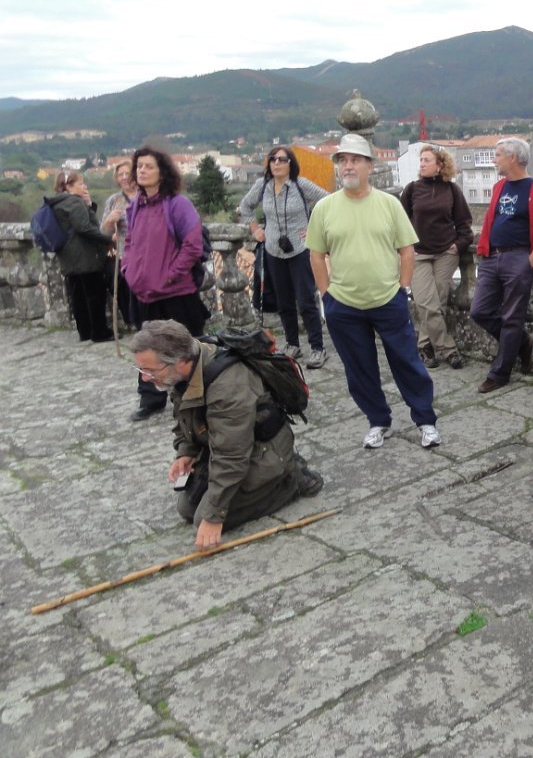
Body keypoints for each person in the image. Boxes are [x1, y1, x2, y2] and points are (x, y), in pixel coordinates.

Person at [130, 320, 323, 551]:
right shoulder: (184, 368)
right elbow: (185, 417)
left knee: (203, 518)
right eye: (142, 370)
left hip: (261, 450)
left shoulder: (228, 386)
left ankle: (291, 480)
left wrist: (214, 516)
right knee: (186, 508)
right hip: (228, 444)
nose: (145, 378)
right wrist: (186, 452)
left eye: (150, 371)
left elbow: (232, 456)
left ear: (179, 361)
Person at [306, 134, 440, 450]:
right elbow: (316, 255)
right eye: (343, 160)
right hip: (343, 304)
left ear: (369, 166)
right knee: (359, 368)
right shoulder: (324, 208)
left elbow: (407, 250)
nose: (348, 166)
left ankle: (425, 420)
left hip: (388, 300)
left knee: (407, 362)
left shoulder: (389, 204)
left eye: (355, 160)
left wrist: (403, 289)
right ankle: (378, 421)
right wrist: (326, 296)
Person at [122, 145, 211, 421]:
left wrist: (170, 275)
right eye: (139, 166)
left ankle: (199, 398)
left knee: (188, 347)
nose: (142, 171)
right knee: (146, 349)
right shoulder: (135, 207)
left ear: (162, 172)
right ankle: (151, 399)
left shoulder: (178, 204)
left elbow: (193, 245)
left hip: (177, 293)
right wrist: (128, 269)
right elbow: (130, 243)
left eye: (149, 166)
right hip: (144, 293)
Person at [469, 137, 533, 393]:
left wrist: (529, 262)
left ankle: (500, 373)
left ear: (513, 157)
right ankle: (521, 343)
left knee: (511, 318)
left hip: (518, 258)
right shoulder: (499, 187)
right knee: (479, 310)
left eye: (498, 155)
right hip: (491, 256)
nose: (494, 160)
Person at [238, 147, 330, 370]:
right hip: (273, 250)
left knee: (305, 300)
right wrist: (255, 229)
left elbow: (329, 201)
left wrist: (314, 228)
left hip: (300, 249)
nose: (276, 163)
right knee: (284, 301)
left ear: (291, 163)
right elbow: (245, 207)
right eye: (273, 159)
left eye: (282, 159)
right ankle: (292, 344)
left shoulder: (300, 185)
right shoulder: (262, 186)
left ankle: (317, 347)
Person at [399, 144, 473, 370]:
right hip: (419, 254)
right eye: (421, 160)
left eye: (427, 160)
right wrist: (405, 248)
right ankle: (448, 349)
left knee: (437, 303)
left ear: (439, 165)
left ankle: (425, 347)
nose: (422, 164)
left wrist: (458, 245)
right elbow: (400, 222)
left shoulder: (452, 190)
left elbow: (464, 223)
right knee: (427, 303)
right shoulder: (412, 189)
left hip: (445, 254)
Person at [48, 171, 115, 343]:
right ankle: (100, 331)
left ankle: (84, 331)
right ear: (68, 186)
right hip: (85, 255)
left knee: (77, 295)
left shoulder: (58, 203)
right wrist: (108, 239)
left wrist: (89, 205)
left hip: (68, 256)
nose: (84, 186)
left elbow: (78, 223)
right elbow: (85, 227)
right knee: (95, 293)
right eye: (80, 183)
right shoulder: (74, 202)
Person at [100, 159, 136, 327]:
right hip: (126, 255)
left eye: (127, 173)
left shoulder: (147, 195)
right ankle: (134, 322)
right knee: (127, 289)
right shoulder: (114, 200)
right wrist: (109, 221)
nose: (124, 177)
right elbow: (104, 232)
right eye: (120, 174)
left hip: (149, 253)